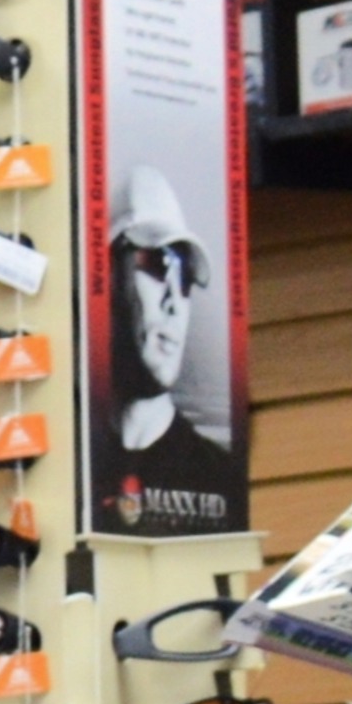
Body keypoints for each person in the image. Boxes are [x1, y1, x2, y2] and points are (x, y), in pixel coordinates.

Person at [97, 167, 241, 530]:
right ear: (106, 276)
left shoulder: (218, 478)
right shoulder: (64, 466)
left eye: (187, 278)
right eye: (159, 265)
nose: (174, 302)